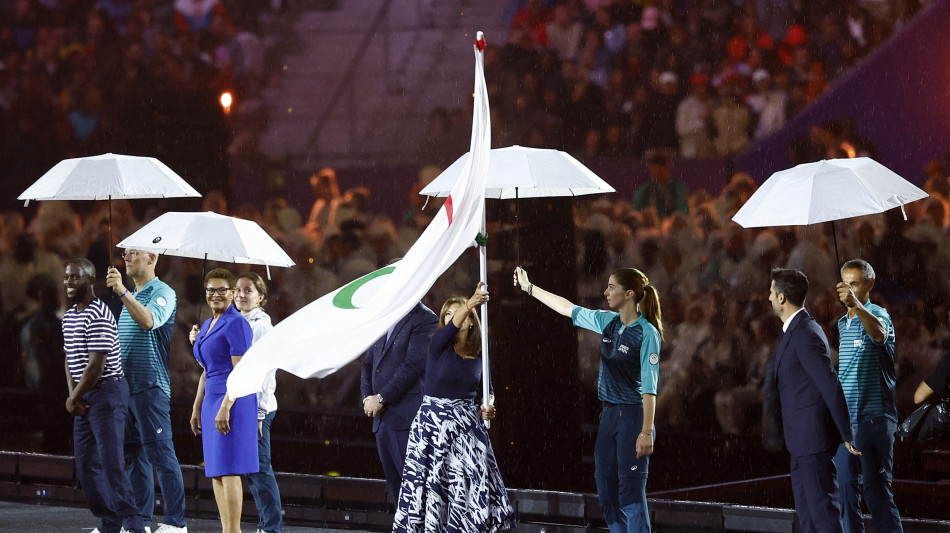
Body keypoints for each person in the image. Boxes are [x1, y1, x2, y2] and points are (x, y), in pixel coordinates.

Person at [514, 266, 662, 533]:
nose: (605, 292)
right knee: (605, 490)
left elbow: (650, 388)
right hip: (608, 416)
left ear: (629, 294)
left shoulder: (647, 333)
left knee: (630, 493)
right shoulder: (608, 321)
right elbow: (567, 308)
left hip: (633, 417)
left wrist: (645, 431)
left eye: (611, 287)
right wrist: (530, 288)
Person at [392, 283, 515, 532]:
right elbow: (448, 329)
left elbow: (487, 392)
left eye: (458, 314)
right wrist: (469, 303)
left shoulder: (481, 355)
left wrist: (489, 406)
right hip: (433, 428)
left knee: (466, 486)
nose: (452, 318)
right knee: (431, 489)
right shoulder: (437, 346)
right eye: (447, 314)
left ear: (471, 322)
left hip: (467, 429)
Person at [767, 268, 860, 533]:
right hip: (801, 442)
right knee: (809, 519)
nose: (769, 297)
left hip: (812, 442)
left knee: (824, 519)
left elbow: (830, 384)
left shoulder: (805, 332)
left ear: (783, 298)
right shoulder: (797, 330)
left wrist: (846, 432)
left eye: (772, 292)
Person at [105, 249, 188, 533]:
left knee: (161, 454)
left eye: (133, 254)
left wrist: (122, 293)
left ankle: (176, 523)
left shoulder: (163, 292)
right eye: (125, 254)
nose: (126, 258)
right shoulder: (129, 297)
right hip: (125, 389)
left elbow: (150, 321)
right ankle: (138, 522)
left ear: (152, 259)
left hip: (150, 387)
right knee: (134, 457)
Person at [62, 258, 145, 533]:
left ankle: (133, 525)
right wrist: (73, 396)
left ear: (90, 279)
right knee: (86, 467)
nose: (68, 283)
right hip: (84, 394)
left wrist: (74, 397)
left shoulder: (99, 313)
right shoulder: (71, 315)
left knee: (111, 465)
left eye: (75, 278)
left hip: (107, 393)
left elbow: (95, 367)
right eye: (66, 277)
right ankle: (111, 522)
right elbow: (69, 359)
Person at [833, 259, 903, 533]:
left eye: (856, 284)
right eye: (845, 284)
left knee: (877, 494)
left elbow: (879, 335)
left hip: (875, 420)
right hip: (846, 424)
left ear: (870, 285)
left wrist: (857, 305)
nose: (849, 290)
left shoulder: (878, 314)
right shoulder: (841, 324)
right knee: (847, 495)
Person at [188, 268, 258, 533]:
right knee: (216, 470)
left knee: (229, 469)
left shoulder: (236, 323)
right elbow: (208, 369)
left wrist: (225, 407)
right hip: (211, 399)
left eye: (221, 290)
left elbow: (241, 372)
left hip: (233, 400)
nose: (215, 295)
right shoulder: (206, 325)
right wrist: (197, 406)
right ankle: (226, 529)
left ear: (232, 293)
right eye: (210, 290)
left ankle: (233, 531)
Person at [359, 299, 438, 501]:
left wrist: (382, 398)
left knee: (415, 491)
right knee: (397, 491)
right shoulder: (384, 315)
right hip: (382, 420)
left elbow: (413, 366)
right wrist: (367, 398)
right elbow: (368, 364)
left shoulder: (425, 318)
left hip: (407, 418)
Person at [234, 272, 283, 533]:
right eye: (238, 289)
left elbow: (266, 371)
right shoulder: (233, 321)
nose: (241, 294)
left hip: (257, 408)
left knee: (260, 469)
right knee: (251, 469)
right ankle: (266, 525)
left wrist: (260, 413)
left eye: (248, 290)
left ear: (260, 297)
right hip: (241, 405)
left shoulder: (261, 325)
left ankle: (271, 528)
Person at [632, 151, 689, 219]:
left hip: (674, 225)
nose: (659, 173)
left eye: (662, 169)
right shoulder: (643, 191)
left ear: (668, 167)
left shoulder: (679, 189)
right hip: (650, 226)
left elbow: (683, 211)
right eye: (656, 170)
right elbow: (636, 213)